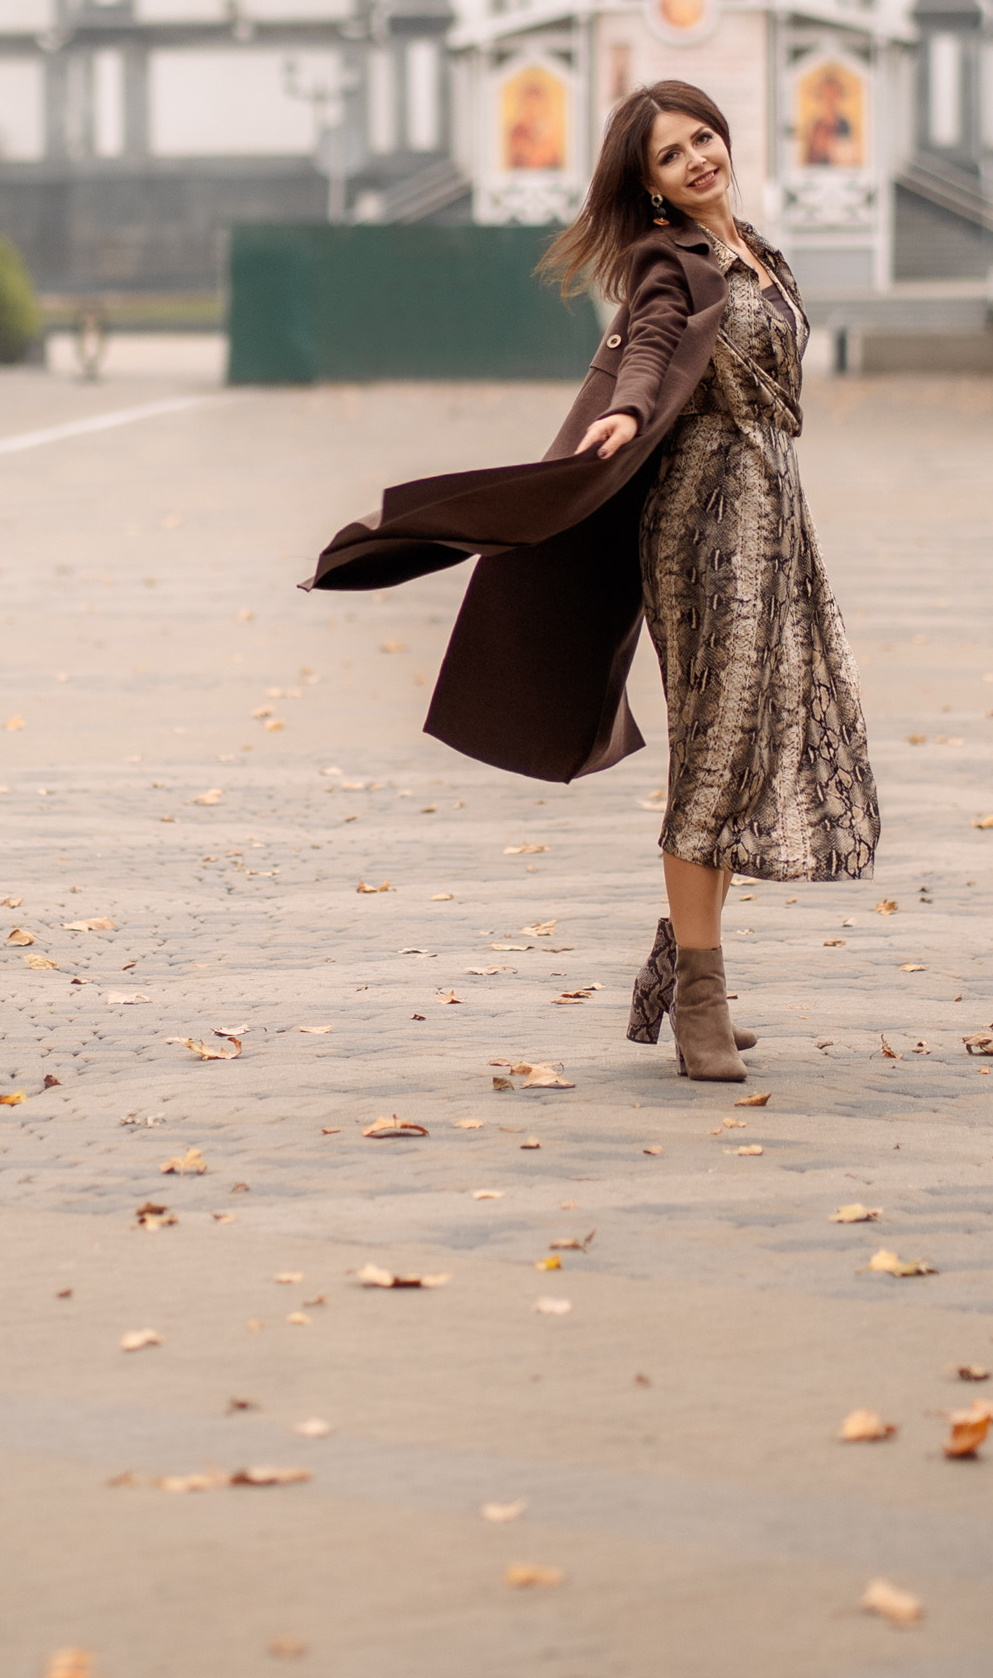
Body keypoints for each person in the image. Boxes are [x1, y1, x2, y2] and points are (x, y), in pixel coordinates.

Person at [306, 78, 879, 1085]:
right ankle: (699, 998)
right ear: (648, 188)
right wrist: (620, 413)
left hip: (774, 520)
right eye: (670, 154)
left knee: (744, 749)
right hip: (704, 531)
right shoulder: (670, 260)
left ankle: (680, 961)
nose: (697, 156)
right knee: (710, 754)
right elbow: (651, 343)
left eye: (702, 136)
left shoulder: (752, 248)